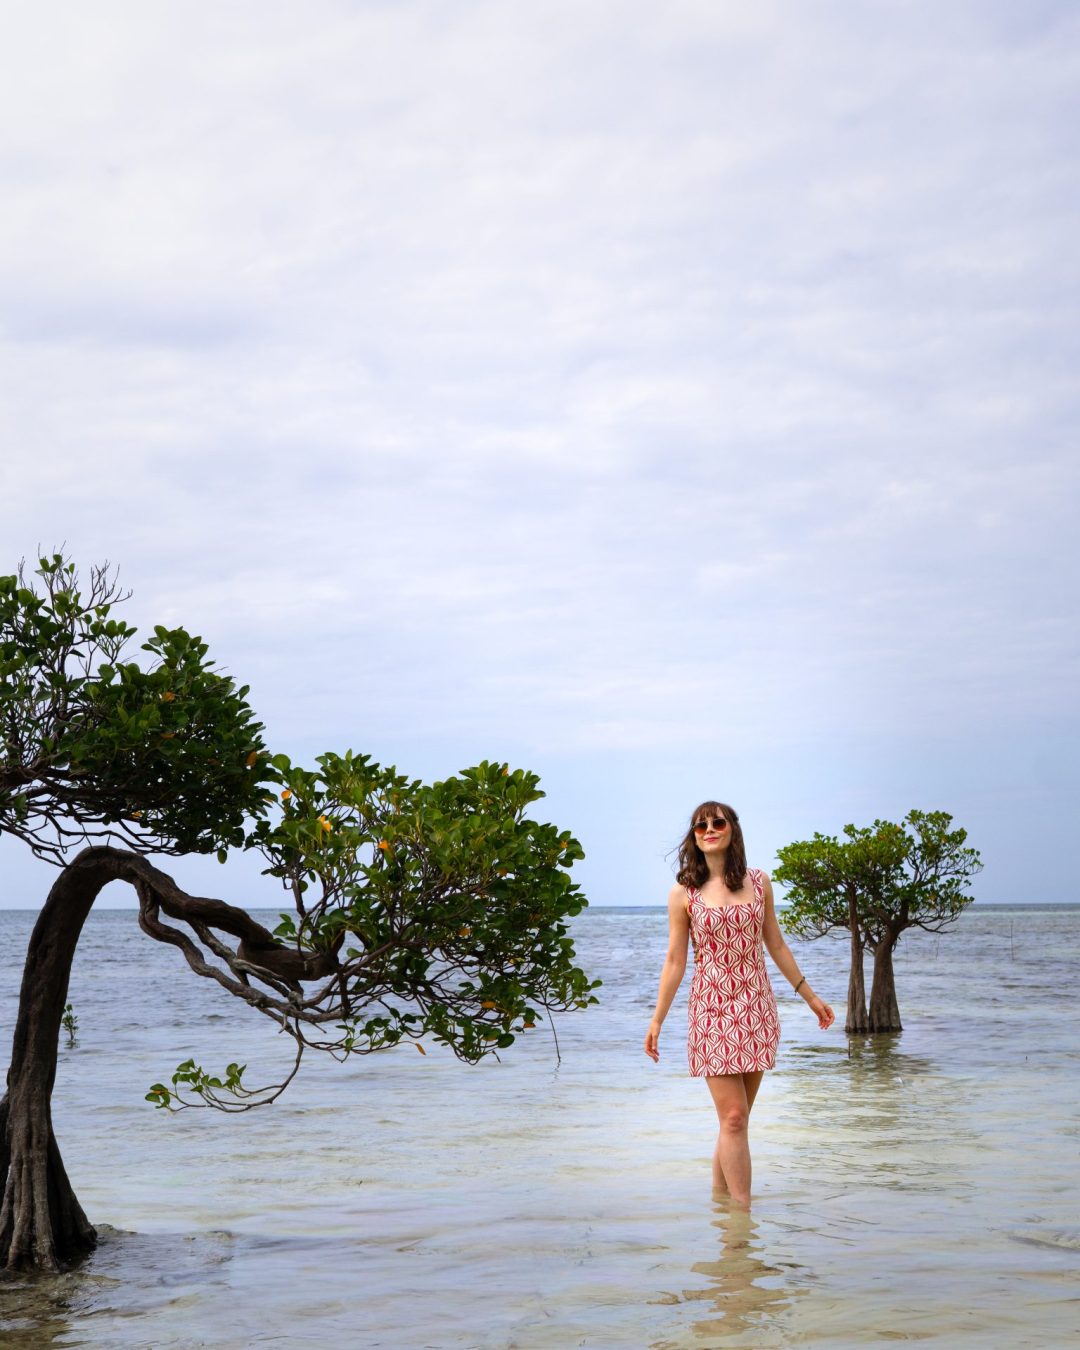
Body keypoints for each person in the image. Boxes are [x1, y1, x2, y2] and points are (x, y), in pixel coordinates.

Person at [644, 801, 834, 1207]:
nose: (709, 829)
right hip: (711, 1010)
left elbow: (776, 944)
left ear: (732, 830)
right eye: (700, 825)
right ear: (693, 837)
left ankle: (722, 1210)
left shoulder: (759, 882)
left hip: (756, 1007)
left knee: (735, 1120)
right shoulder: (683, 894)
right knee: (733, 1118)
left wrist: (810, 997)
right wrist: (657, 1019)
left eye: (718, 822)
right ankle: (743, 1221)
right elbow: (676, 960)